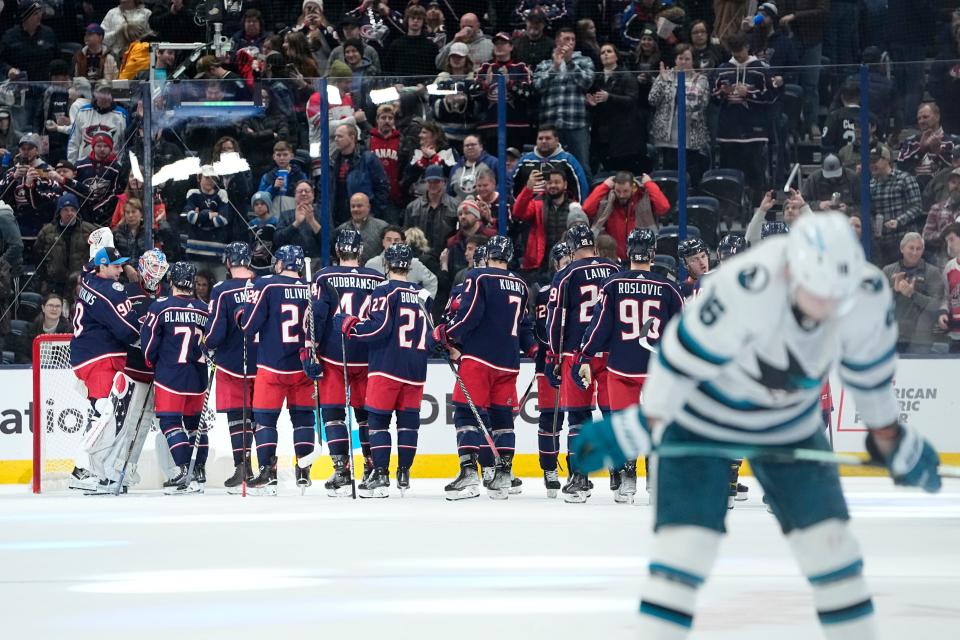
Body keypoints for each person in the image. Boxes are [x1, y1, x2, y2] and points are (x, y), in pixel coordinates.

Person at [572, 212, 942, 638]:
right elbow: (676, 359)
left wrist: (890, 437)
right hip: (701, 421)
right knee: (682, 556)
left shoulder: (866, 292)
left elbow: (868, 373)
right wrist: (637, 427)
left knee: (834, 551)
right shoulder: (745, 285)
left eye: (834, 299)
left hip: (789, 425)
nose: (825, 311)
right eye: (815, 295)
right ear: (790, 268)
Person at [576, 228, 683, 503]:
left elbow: (599, 326)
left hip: (621, 366)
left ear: (628, 251)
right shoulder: (668, 287)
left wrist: (585, 356)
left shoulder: (612, 284)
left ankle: (627, 480)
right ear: (653, 252)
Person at [438, 236, 535, 500]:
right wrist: (535, 349)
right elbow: (524, 324)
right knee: (502, 417)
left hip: (479, 358)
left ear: (488, 254)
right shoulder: (521, 284)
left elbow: (469, 316)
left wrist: (446, 334)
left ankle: (469, 474)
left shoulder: (479, 276)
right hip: (508, 362)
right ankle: (503, 475)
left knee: (465, 414)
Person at [334, 243, 433, 497]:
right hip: (416, 369)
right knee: (408, 423)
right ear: (410, 266)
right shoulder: (423, 295)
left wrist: (350, 326)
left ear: (387, 265)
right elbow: (430, 334)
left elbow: (379, 329)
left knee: (378, 421)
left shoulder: (384, 291)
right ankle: (404, 473)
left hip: (387, 366)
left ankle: (380, 473)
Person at [545, 223, 618, 502]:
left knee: (578, 417)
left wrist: (553, 354)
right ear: (594, 245)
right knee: (613, 415)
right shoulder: (613, 270)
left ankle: (579, 476)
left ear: (572, 248)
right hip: (610, 354)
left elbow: (556, 319)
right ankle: (621, 473)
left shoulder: (567, 274)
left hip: (575, 355)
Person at [308, 229, 385, 493]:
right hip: (366, 355)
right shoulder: (377, 278)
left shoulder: (324, 275)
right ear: (361, 251)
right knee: (366, 416)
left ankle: (341, 470)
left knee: (332, 414)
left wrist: (310, 349)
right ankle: (373, 467)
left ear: (337, 251)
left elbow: (317, 317)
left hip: (334, 355)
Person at [241, 245, 317, 494]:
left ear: (281, 264)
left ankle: (267, 471)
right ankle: (304, 470)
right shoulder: (311, 287)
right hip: (304, 366)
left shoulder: (266, 285)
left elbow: (249, 325)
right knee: (304, 420)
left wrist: (242, 313)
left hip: (271, 366)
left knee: (264, 421)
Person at [68, 246, 138, 492]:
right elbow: (127, 330)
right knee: (104, 413)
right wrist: (152, 335)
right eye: (116, 265)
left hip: (84, 356)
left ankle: (96, 470)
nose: (121, 269)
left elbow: (88, 266)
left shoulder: (88, 278)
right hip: (100, 358)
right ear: (103, 266)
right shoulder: (111, 291)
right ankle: (81, 470)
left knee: (99, 412)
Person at [140, 261, 210, 494]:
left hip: (171, 375)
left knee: (170, 423)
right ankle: (199, 470)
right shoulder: (205, 309)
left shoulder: (160, 307)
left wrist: (151, 361)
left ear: (171, 281)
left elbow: (149, 343)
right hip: (199, 377)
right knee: (194, 425)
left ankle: (183, 470)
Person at [204, 243, 259, 491]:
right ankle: (267, 466)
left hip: (230, 362)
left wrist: (207, 346)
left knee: (238, 416)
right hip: (263, 361)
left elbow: (215, 331)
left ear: (228, 262)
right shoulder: (263, 284)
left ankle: (243, 465)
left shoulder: (222, 290)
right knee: (261, 415)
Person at [712, 32, 773, 204]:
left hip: (754, 132)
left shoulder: (760, 68)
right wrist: (721, 94)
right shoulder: (723, 68)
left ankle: (757, 209)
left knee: (756, 174)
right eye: (733, 51)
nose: (736, 54)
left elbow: (771, 96)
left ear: (747, 47)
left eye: (739, 50)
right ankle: (732, 210)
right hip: (728, 132)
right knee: (729, 175)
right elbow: (713, 99)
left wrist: (749, 94)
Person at [532, 27, 595, 172]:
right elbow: (538, 87)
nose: (570, 42)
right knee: (550, 167)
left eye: (573, 40)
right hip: (551, 125)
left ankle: (585, 195)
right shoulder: (545, 64)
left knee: (582, 166)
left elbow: (587, 82)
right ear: (557, 41)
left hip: (577, 123)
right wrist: (555, 67)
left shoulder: (585, 61)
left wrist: (570, 62)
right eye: (566, 39)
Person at [649, 44, 711, 185]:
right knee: (670, 174)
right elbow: (652, 99)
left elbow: (699, 103)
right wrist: (663, 81)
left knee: (691, 172)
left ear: (692, 60)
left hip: (691, 135)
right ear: (675, 59)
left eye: (687, 59)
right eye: (680, 58)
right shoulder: (665, 75)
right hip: (668, 136)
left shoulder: (700, 79)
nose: (683, 62)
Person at [582, 172, 670, 261]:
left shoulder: (642, 197)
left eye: (625, 191)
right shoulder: (608, 199)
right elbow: (587, 209)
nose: (621, 195)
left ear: (633, 187)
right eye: (618, 191)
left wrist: (649, 184)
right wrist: (604, 186)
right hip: (612, 257)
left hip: (640, 256)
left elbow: (663, 207)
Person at [882, 233, 946, 353]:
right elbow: (877, 303)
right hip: (893, 336)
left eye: (919, 248)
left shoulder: (932, 272)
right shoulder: (888, 270)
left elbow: (937, 304)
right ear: (902, 249)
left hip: (921, 338)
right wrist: (895, 291)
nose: (915, 252)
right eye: (911, 248)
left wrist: (913, 294)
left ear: (923, 250)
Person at [587, 42, 642, 176]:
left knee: (623, 169)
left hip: (623, 133)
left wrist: (609, 97)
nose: (605, 54)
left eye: (609, 51)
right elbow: (597, 102)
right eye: (602, 52)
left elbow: (632, 100)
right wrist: (591, 103)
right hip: (603, 132)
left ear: (616, 56)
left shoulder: (626, 75)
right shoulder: (597, 77)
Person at [512, 165, 577, 274]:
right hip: (541, 266)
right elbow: (518, 213)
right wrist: (528, 188)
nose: (552, 185)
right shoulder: (537, 203)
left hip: (568, 263)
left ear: (565, 185)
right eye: (549, 182)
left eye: (557, 182)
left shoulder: (574, 206)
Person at [475, 32, 534, 151]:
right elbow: (472, 94)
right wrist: (485, 84)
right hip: (489, 126)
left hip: (516, 126)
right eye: (496, 43)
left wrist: (510, 84)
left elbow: (529, 95)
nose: (499, 46)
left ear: (511, 47)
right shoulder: (485, 68)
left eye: (503, 43)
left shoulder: (521, 68)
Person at [869, 143, 924, 266]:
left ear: (886, 159)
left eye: (875, 161)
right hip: (881, 241)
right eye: (869, 161)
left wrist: (898, 221)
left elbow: (917, 207)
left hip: (903, 239)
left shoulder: (905, 179)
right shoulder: (870, 185)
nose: (872, 165)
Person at [33, 194, 98, 295]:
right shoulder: (47, 231)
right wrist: (44, 280)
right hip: (54, 284)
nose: (70, 213)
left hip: (81, 283)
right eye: (65, 210)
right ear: (59, 211)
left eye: (73, 209)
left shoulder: (90, 230)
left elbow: (99, 257)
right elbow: (38, 257)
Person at [328, 124, 391, 225]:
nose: (336, 139)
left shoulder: (368, 158)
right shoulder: (332, 160)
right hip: (339, 218)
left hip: (363, 218)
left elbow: (382, 187)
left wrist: (373, 213)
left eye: (340, 136)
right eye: (335, 136)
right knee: (344, 241)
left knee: (364, 241)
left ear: (352, 137)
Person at [0, 133, 60, 237]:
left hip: (40, 223)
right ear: (19, 150)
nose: (26, 151)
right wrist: (13, 178)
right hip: (15, 222)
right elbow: (1, 195)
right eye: (23, 148)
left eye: (30, 148)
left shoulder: (46, 170)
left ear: (37, 150)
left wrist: (32, 183)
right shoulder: (12, 171)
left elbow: (50, 198)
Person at [62, 130, 126, 225]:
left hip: (105, 214)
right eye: (99, 146)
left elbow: (115, 193)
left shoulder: (116, 168)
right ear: (93, 147)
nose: (102, 149)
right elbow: (73, 188)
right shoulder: (80, 165)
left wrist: (98, 208)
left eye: (106, 146)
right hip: (81, 211)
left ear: (111, 148)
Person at [511, 125, 590, 202]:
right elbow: (511, 184)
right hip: (528, 208)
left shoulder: (568, 160)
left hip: (560, 210)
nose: (544, 141)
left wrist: (579, 210)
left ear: (556, 140)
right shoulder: (525, 160)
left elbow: (581, 187)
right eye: (540, 138)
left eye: (548, 138)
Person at [403, 164, 459, 261]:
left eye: (436, 181)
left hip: (447, 257)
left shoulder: (456, 206)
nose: (433, 185)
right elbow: (406, 233)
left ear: (444, 182)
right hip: (418, 257)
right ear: (425, 182)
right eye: (430, 181)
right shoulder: (412, 207)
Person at [897, 103, 960, 187]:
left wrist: (938, 153)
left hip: (945, 189)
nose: (921, 121)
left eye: (925, 117)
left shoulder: (954, 141)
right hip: (914, 189)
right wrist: (921, 150)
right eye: (919, 119)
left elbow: (956, 168)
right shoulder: (910, 141)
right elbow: (901, 167)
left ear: (937, 117)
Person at [366, 225, 439, 297]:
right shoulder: (371, 265)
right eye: (388, 240)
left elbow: (432, 281)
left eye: (396, 240)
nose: (392, 243)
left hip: (406, 307)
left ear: (403, 243)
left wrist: (422, 302)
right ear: (383, 242)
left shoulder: (414, 263)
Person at [181, 166, 232, 265]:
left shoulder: (221, 194)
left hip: (217, 251)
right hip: (195, 250)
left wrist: (200, 215)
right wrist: (210, 214)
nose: (210, 180)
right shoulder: (193, 193)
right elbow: (191, 218)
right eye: (207, 177)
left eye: (213, 178)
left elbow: (223, 219)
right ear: (199, 178)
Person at [67, 84, 128, 163]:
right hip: (85, 166)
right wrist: (72, 165)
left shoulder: (121, 114)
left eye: (107, 92)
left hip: (112, 167)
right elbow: (74, 141)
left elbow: (124, 144)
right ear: (94, 94)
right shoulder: (83, 112)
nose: (104, 96)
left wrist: (120, 166)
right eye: (101, 92)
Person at [15, 293, 71, 363]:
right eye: (50, 305)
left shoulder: (69, 330)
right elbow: (20, 355)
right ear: (43, 308)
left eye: (58, 306)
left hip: (58, 371)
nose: (54, 309)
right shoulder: (30, 328)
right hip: (32, 370)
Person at [938, 222, 960, 352]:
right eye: (947, 241)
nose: (949, 245)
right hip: (955, 334)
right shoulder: (949, 267)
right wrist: (943, 313)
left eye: (951, 239)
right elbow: (946, 296)